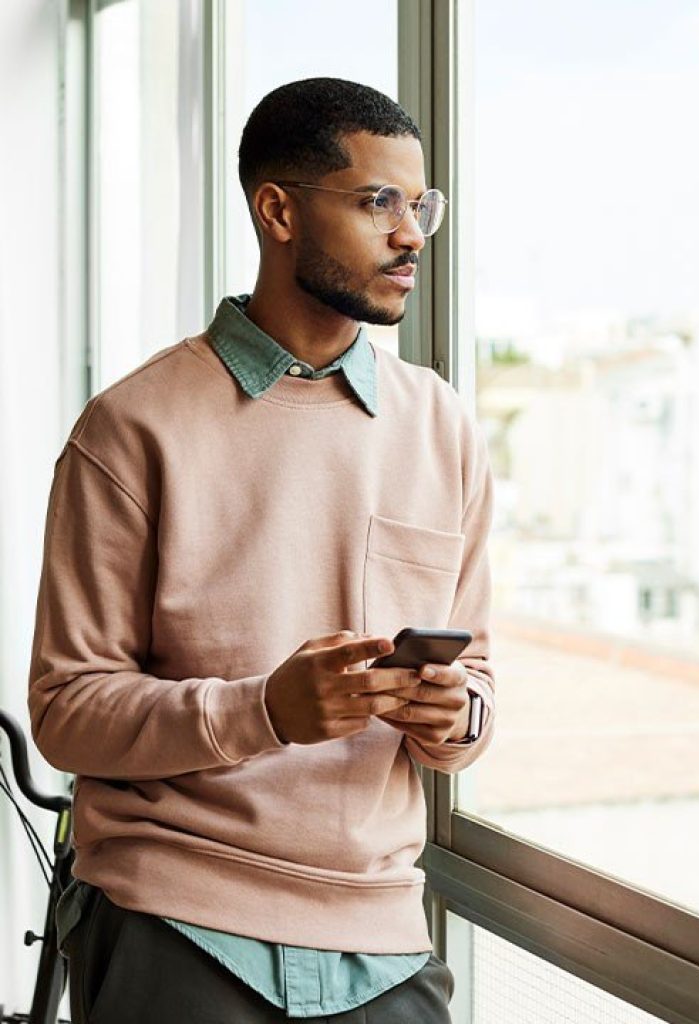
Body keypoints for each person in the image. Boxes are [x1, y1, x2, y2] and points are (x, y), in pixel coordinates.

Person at [26, 77, 496, 1023]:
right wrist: (264, 711)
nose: (411, 235)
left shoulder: (441, 426)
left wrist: (454, 714)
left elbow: (479, 688)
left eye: (420, 206)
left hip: (387, 942)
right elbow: (66, 714)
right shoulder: (129, 429)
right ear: (277, 210)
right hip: (175, 921)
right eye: (378, 202)